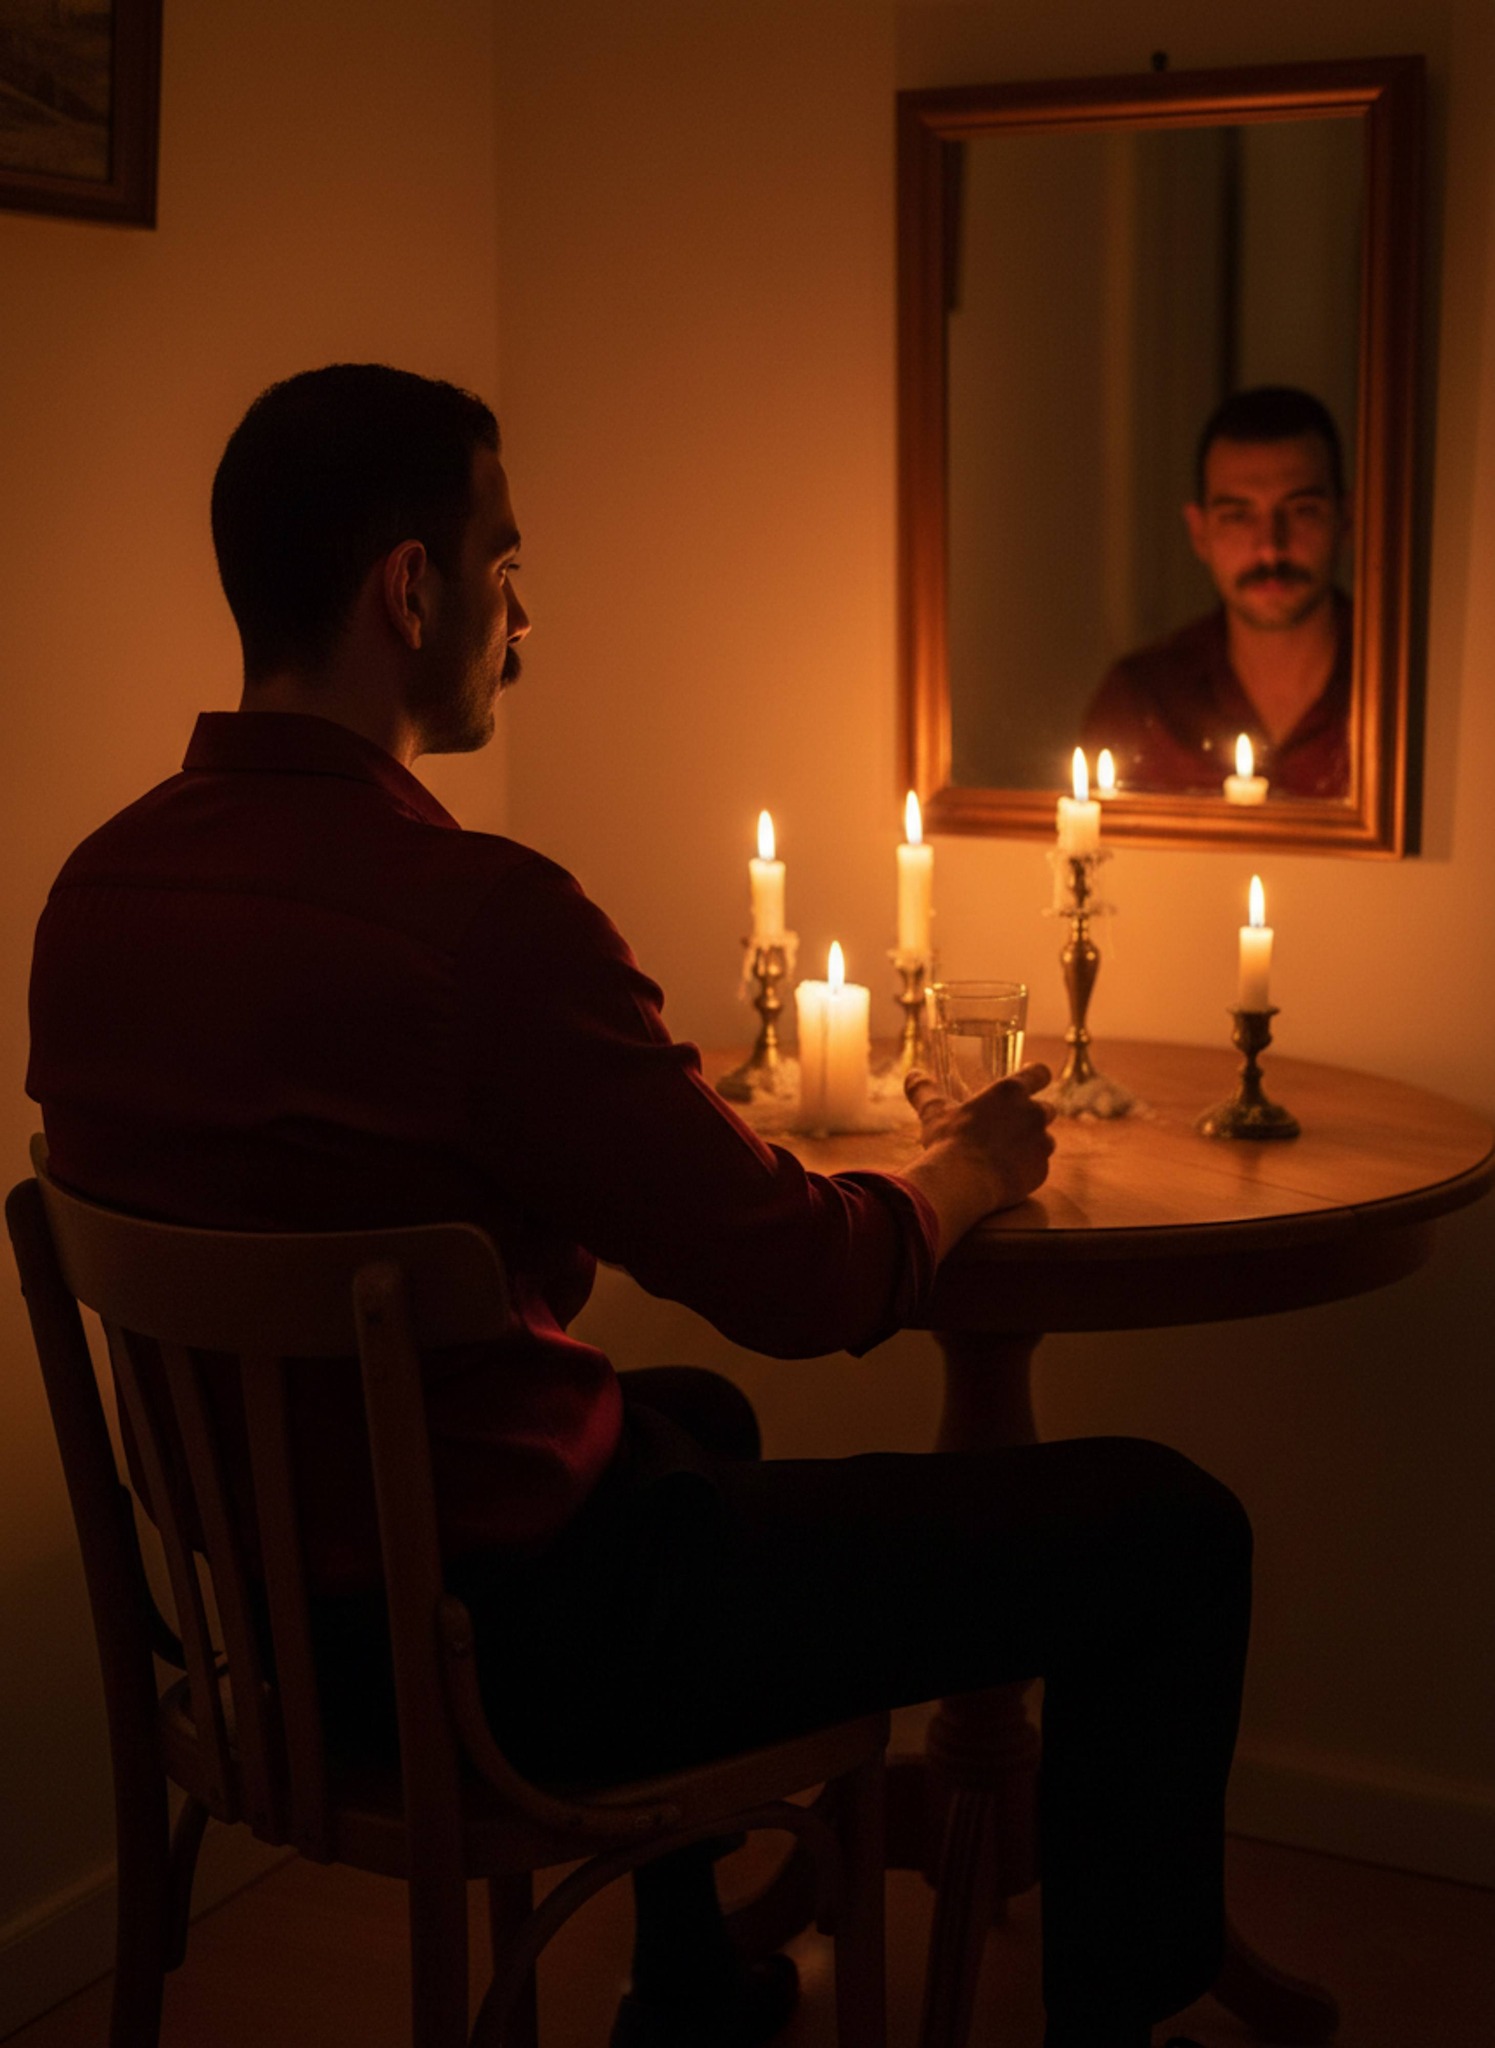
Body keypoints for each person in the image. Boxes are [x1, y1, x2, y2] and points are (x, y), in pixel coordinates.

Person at [28, 364, 1248, 2048]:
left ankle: (689, 1988)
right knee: (1166, 1524)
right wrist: (965, 1168)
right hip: (506, 1657)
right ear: (411, 587)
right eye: (505, 569)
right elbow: (808, 1282)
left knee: (686, 1416)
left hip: (268, 1638)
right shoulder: (481, 921)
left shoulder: (95, 891)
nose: (523, 619)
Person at [1083, 386, 1352, 797]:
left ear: (1345, 518)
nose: (1270, 548)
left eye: (1301, 511)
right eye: (1238, 516)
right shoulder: (1142, 703)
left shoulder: (1405, 694)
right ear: (1200, 531)